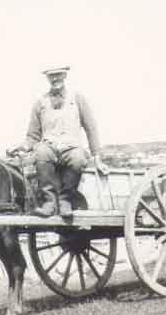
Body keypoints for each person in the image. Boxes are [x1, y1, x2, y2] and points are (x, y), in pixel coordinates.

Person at [7, 66, 109, 217]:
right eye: (51, 76)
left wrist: (97, 157)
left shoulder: (77, 98)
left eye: (58, 75)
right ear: (47, 78)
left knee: (78, 159)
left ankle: (66, 200)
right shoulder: (40, 102)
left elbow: (91, 128)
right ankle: (49, 202)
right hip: (49, 147)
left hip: (72, 147)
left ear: (65, 75)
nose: (55, 79)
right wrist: (21, 147)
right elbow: (33, 136)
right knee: (40, 153)